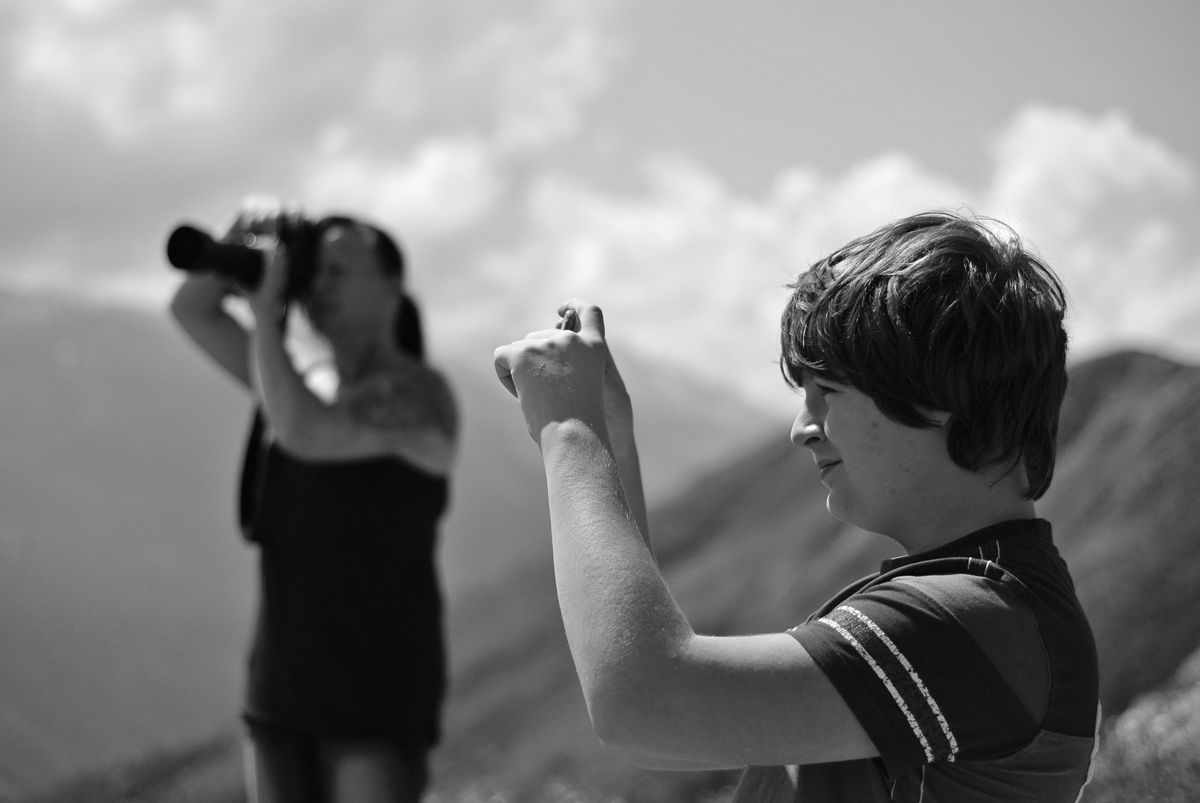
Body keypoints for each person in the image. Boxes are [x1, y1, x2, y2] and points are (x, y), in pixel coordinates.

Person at [492, 210, 1099, 801]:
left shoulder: (976, 623)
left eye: (827, 390)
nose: (803, 429)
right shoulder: (995, 612)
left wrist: (569, 427)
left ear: (945, 398)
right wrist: (607, 430)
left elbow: (646, 704)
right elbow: (671, 737)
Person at [169, 197, 458, 803]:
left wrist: (265, 315)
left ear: (393, 285)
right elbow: (191, 309)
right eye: (313, 271)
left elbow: (306, 432)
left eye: (337, 271)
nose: (319, 286)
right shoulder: (296, 383)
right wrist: (238, 242)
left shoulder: (421, 399)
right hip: (280, 690)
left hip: (374, 699)